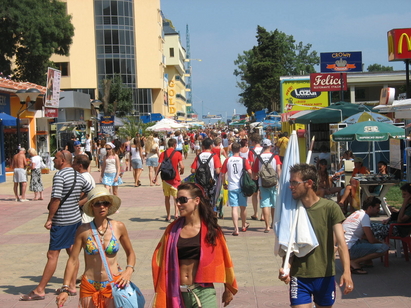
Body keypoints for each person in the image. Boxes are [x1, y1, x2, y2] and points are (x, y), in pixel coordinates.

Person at [20, 150, 93, 301]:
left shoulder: (60, 176)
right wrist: (76, 204)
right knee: (72, 252)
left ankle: (40, 290)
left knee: (52, 255)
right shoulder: (77, 175)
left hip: (62, 221)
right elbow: (90, 191)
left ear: (63, 160)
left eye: (56, 158)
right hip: (75, 219)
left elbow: (56, 199)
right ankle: (72, 286)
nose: (53, 160)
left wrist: (50, 218)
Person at [152, 183, 238, 307]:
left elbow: (224, 260)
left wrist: (228, 289)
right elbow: (159, 259)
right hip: (177, 293)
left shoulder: (211, 230)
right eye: (177, 200)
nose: (178, 204)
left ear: (196, 200)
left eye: (183, 200)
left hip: (203, 292)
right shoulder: (172, 230)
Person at [279, 163, 353, 307]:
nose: (290, 186)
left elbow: (342, 244)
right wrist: (285, 267)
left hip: (325, 275)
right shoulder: (292, 210)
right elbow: (289, 244)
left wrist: (346, 272)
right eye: (290, 182)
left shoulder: (330, 208)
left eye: (295, 182)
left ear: (309, 183)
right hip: (300, 276)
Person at [56, 187, 136, 307]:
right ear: (91, 206)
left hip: (113, 284)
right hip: (89, 285)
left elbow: (130, 253)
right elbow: (72, 260)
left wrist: (129, 270)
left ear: (109, 205)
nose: (102, 206)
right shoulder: (83, 230)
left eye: (105, 203)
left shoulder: (118, 227)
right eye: (97, 203)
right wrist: (65, 288)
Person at [343, 197, 389, 274]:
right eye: (377, 208)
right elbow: (371, 239)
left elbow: (364, 236)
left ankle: (366, 261)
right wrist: (381, 242)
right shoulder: (365, 216)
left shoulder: (356, 213)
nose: (378, 211)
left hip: (344, 248)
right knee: (384, 247)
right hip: (350, 249)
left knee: (365, 240)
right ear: (370, 207)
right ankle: (354, 262)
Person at [221, 142, 251, 236]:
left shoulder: (228, 160)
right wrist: (250, 180)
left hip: (232, 186)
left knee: (234, 207)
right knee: (243, 207)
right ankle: (243, 225)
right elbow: (250, 172)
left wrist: (224, 183)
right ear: (239, 150)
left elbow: (222, 174)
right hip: (242, 186)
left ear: (231, 150)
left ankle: (236, 229)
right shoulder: (243, 160)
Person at [252, 139, 281, 233]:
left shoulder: (258, 157)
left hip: (262, 183)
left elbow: (255, 172)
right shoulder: (275, 156)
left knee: (265, 204)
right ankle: (273, 223)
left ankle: (267, 226)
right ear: (270, 146)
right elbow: (278, 170)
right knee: (274, 204)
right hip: (274, 183)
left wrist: (255, 177)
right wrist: (279, 181)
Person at [154, 138, 184, 221]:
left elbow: (159, 166)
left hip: (165, 180)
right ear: (175, 145)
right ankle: (176, 214)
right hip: (175, 179)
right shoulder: (178, 154)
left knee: (167, 198)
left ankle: (168, 216)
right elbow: (182, 166)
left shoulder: (163, 154)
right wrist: (182, 171)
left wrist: (155, 176)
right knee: (176, 198)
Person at [73, 154, 96, 223]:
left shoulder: (84, 177)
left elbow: (82, 194)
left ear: (80, 166)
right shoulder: (86, 176)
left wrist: (74, 205)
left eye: (74, 163)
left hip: (85, 214)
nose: (72, 165)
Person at [248, 133, 263, 221]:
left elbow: (251, 163)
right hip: (263, 175)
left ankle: (255, 213)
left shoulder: (251, 151)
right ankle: (263, 214)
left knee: (254, 195)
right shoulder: (264, 150)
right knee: (262, 194)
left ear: (253, 141)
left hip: (254, 174)